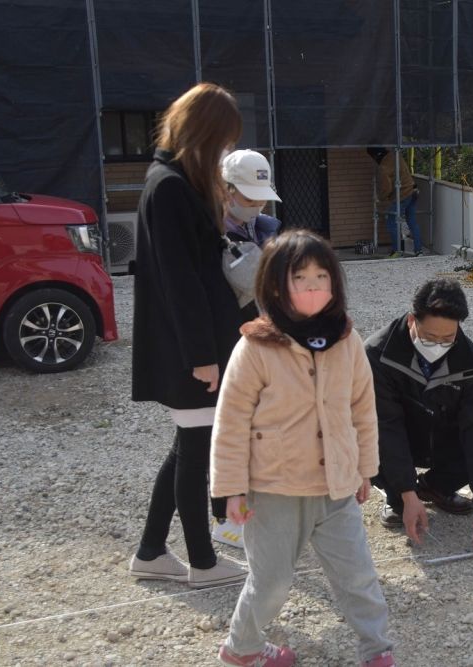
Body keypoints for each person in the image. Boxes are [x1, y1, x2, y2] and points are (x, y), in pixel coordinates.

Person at [210, 230, 395, 667]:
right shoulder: (255, 345)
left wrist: (366, 467)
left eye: (321, 276)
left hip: (335, 488)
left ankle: (377, 652)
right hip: (273, 489)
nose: (314, 287)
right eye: (300, 278)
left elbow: (363, 408)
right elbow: (230, 422)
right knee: (271, 581)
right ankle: (242, 648)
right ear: (275, 285)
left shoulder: (346, 339)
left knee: (358, 577)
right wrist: (230, 489)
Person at [128, 83, 248, 588]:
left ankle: (151, 552)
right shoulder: (171, 186)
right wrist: (203, 355)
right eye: (222, 139)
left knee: (187, 447)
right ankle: (201, 562)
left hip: (190, 346)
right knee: (196, 453)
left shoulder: (170, 179)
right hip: (190, 350)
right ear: (204, 133)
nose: (223, 150)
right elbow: (181, 282)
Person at [366, 278, 473, 557]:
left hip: (439, 440)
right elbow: (387, 426)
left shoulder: (470, 362)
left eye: (448, 338)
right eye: (430, 337)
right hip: (395, 441)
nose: (438, 345)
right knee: (364, 438)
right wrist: (406, 493)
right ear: (412, 320)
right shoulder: (378, 354)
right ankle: (396, 495)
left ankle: (434, 488)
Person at [210, 148, 284, 548]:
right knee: (229, 429)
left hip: (263, 338)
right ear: (226, 191)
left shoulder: (267, 227)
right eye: (248, 197)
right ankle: (224, 516)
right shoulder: (207, 231)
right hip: (225, 342)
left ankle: (256, 512)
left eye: (260, 198)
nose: (255, 206)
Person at [366, 147, 423, 258]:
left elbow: (386, 187)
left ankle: (397, 251)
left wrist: (382, 197)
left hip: (402, 195)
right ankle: (418, 251)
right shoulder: (396, 156)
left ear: (376, 156)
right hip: (413, 191)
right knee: (412, 222)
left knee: (392, 221)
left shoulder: (383, 167)